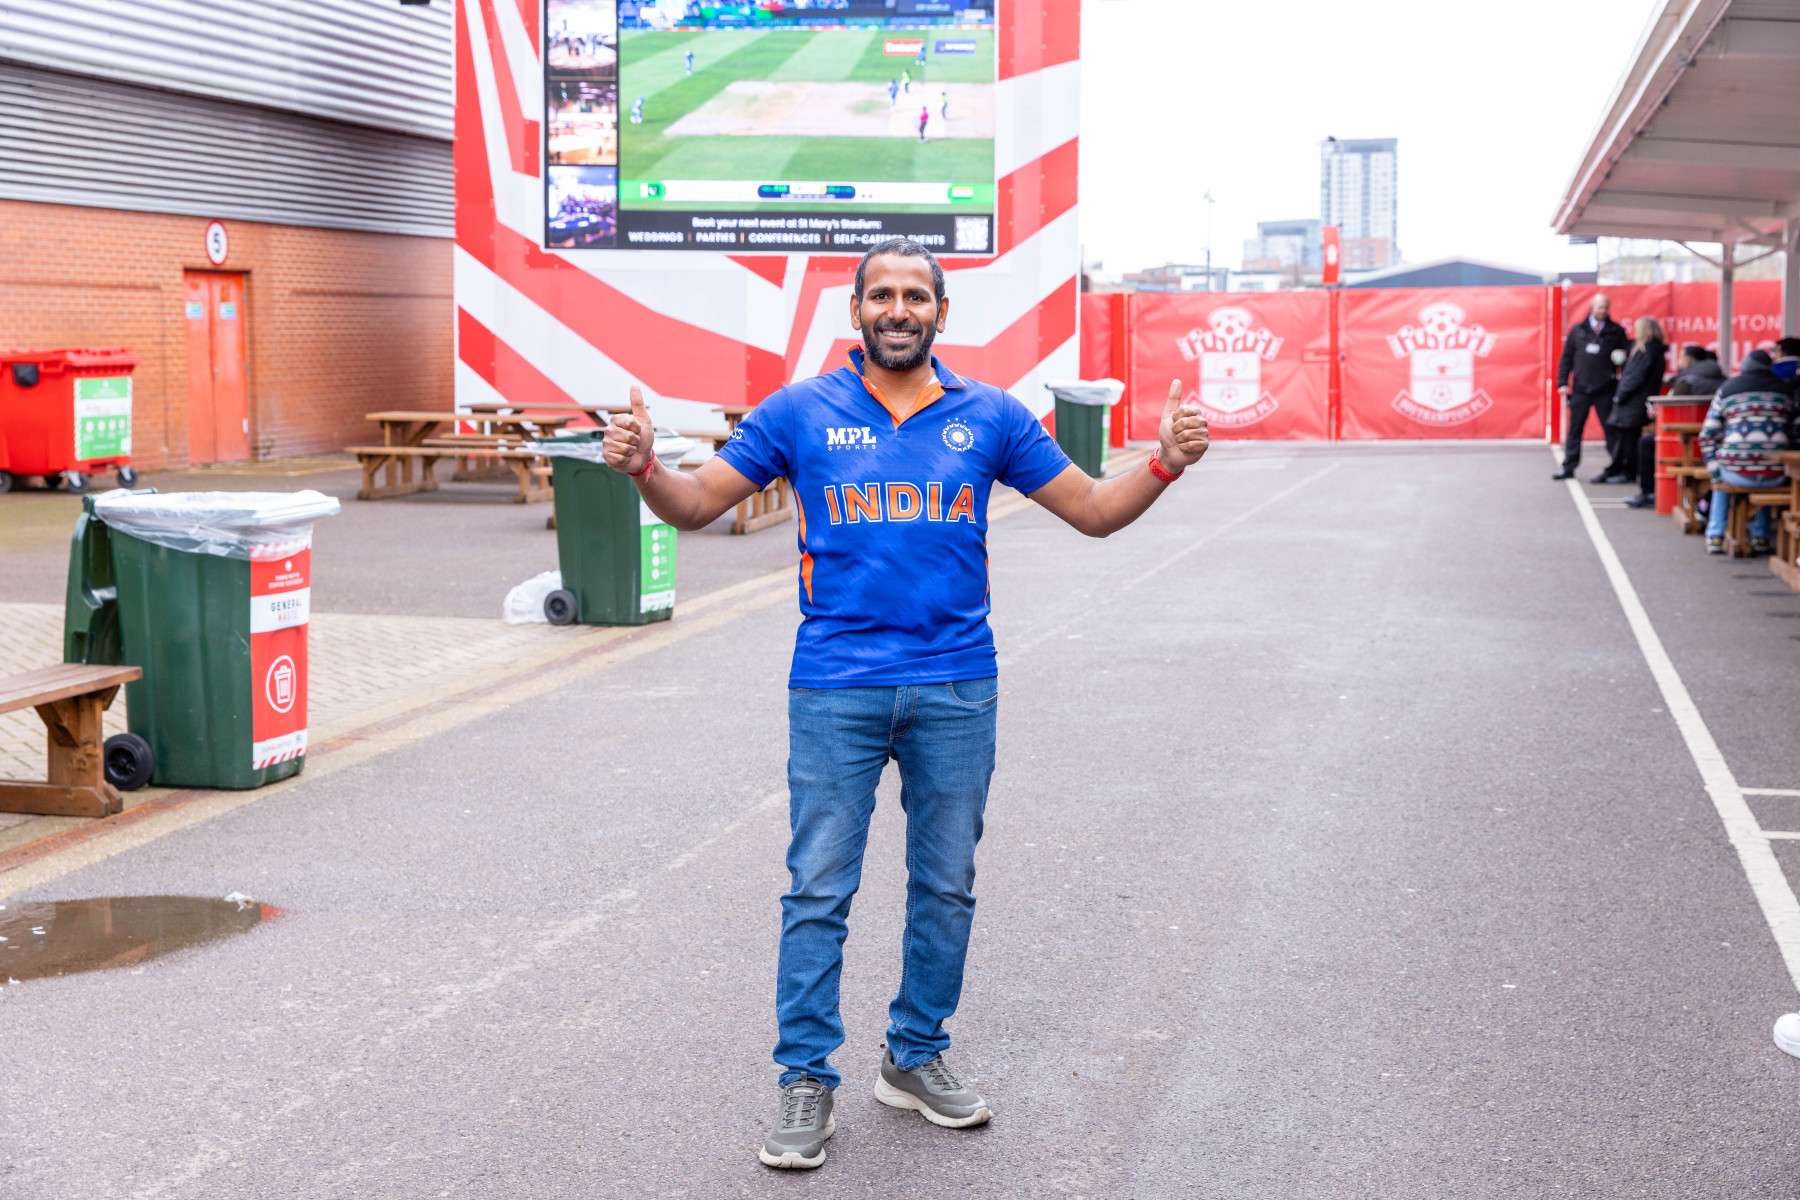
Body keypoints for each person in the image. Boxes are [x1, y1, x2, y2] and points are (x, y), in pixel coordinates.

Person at [600, 238, 1211, 1170]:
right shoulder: (800, 410)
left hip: (958, 684)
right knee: (818, 889)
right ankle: (806, 1078)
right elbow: (694, 506)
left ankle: (915, 1055)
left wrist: (1163, 464)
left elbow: (1092, 510)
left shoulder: (991, 415)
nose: (897, 309)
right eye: (880, 294)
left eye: (915, 296)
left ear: (939, 313)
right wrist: (645, 467)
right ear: (856, 312)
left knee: (946, 883)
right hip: (835, 685)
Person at [1698, 347, 1796, 554]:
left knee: (1723, 476)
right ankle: (1761, 535)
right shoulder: (1785, 390)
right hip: (1777, 475)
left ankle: (1715, 535)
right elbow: (1796, 430)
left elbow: (1707, 435)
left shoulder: (1727, 389)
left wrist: (1715, 474)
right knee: (1765, 463)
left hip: (1736, 473)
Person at [1554, 293, 1631, 482]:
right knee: (1575, 430)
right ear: (1592, 308)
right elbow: (1566, 358)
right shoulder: (1578, 330)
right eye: (1599, 307)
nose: (1602, 311)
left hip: (1606, 388)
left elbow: (1625, 360)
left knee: (1611, 430)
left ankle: (1618, 467)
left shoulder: (1616, 331)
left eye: (1605, 308)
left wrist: (1621, 361)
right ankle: (1569, 467)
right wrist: (1562, 382)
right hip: (1581, 389)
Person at [1608, 317, 1666, 509]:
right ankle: (1629, 472)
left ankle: (1630, 473)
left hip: (1634, 401)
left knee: (1632, 440)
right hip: (1639, 400)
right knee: (1632, 439)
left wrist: (1620, 395)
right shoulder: (1655, 350)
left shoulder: (1646, 351)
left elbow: (1634, 377)